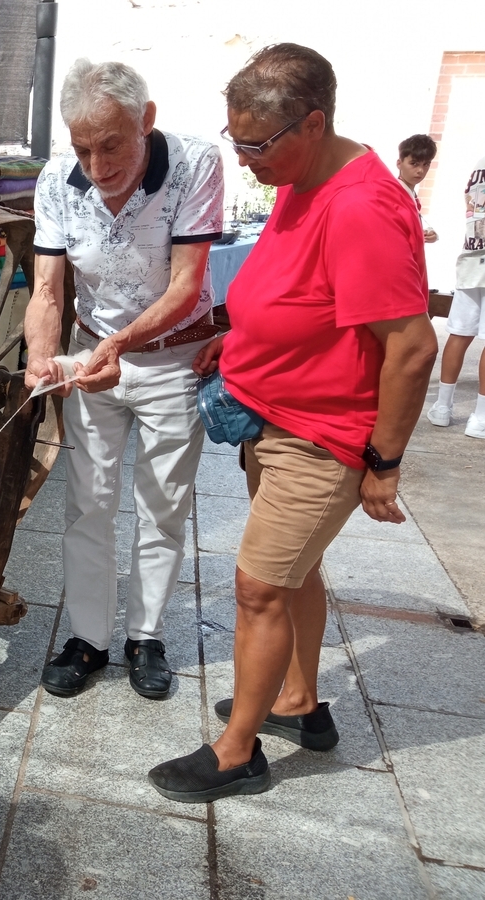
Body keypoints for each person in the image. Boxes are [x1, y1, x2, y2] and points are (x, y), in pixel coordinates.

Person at [148, 44, 437, 803]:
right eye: (235, 140)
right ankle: (298, 703)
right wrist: (241, 335)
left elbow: (411, 349)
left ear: (312, 124)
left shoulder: (361, 206)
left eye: (256, 145)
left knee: (258, 589)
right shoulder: (301, 173)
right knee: (293, 573)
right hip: (273, 415)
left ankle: (238, 753)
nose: (244, 161)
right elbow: (304, 297)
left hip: (322, 434)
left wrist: (384, 461)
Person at [25, 58, 223, 701]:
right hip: (92, 356)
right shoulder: (59, 179)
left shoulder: (195, 163)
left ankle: (145, 636)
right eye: (83, 147)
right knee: (89, 500)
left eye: (111, 144)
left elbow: (187, 283)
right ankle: (89, 638)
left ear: (147, 121)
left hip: (173, 355)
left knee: (162, 504)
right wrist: (40, 356)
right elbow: (48, 291)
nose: (98, 165)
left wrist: (118, 344)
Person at [425, 150, 485, 435]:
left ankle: (442, 406)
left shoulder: (479, 165)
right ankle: (480, 417)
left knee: (460, 333)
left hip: (472, 257)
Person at [396, 134, 439, 243]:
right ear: (399, 163)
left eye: (426, 164)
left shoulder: (412, 196)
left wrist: (424, 233)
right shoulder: (391, 194)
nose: (420, 170)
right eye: (414, 163)